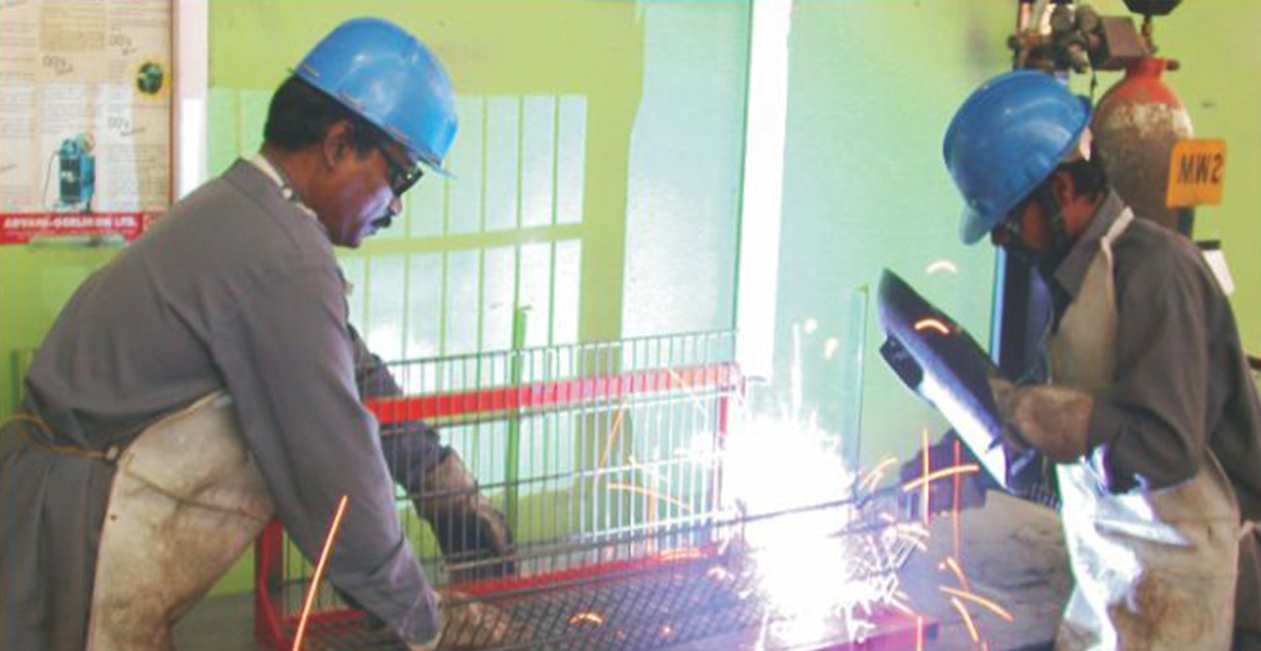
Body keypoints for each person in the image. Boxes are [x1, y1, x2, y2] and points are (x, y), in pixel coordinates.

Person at [0, 17, 511, 651]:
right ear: (339, 144)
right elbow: (333, 468)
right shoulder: (284, 254)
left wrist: (441, 482)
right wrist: (423, 621)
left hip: (48, 504)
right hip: (76, 536)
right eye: (400, 176)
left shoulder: (241, 209)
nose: (398, 204)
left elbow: (350, 367)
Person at [942, 70, 1261, 650]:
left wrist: (1078, 424)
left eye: (1008, 219)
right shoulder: (1075, 276)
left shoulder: (1155, 270)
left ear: (1062, 192)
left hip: (1183, 577)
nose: (1001, 240)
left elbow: (1166, 448)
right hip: (1115, 565)